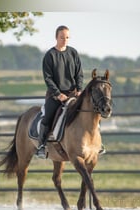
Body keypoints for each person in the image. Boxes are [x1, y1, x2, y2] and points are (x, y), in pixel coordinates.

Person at [36, 25, 83, 158]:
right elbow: (48, 78)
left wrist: (79, 89)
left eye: (67, 37)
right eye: (62, 37)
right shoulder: (49, 55)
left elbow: (79, 73)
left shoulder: (73, 53)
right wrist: (58, 94)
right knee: (48, 116)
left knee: (89, 112)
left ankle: (96, 144)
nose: (65, 40)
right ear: (56, 37)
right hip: (55, 95)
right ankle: (41, 145)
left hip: (73, 94)